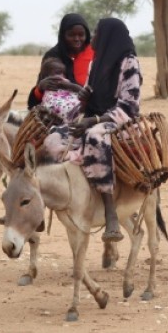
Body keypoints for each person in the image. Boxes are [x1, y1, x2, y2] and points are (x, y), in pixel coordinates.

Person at [67, 18, 141, 242]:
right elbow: (90, 91)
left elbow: (130, 106)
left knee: (95, 136)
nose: (93, 39)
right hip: (94, 116)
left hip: (121, 121)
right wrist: (83, 100)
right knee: (56, 136)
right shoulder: (95, 63)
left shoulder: (130, 63)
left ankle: (110, 213)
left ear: (109, 36)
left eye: (97, 33)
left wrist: (94, 120)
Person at [28, 13, 95, 109]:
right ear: (63, 35)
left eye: (81, 35)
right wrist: (40, 88)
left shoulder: (95, 53)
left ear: (87, 35)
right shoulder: (53, 55)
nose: (77, 39)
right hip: (61, 110)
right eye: (71, 35)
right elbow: (40, 94)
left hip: (93, 108)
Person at [38, 58, 83, 123]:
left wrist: (70, 86)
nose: (62, 76)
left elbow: (81, 92)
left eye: (63, 73)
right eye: (58, 73)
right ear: (46, 77)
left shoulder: (68, 85)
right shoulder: (48, 90)